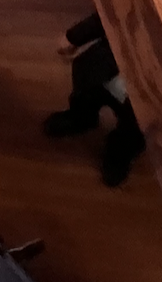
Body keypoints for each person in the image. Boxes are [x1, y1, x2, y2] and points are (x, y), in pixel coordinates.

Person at [45, 12, 145, 186]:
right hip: (108, 62)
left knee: (134, 128)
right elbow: (113, 10)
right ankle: (81, 118)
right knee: (85, 94)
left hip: (149, 90)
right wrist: (75, 36)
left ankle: (118, 155)